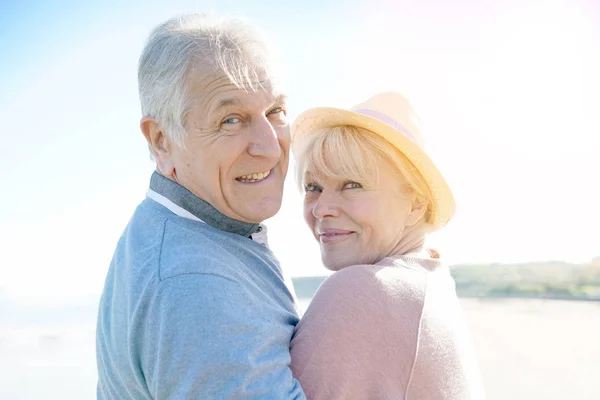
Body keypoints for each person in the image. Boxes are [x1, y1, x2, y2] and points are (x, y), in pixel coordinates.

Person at [96, 14, 306, 399]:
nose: (270, 146)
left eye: (275, 111)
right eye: (231, 120)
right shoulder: (197, 285)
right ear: (161, 140)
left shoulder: (168, 229)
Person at [289, 92, 486, 399]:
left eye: (352, 185)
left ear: (415, 205)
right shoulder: (431, 285)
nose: (321, 208)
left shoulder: (363, 291)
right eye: (313, 187)